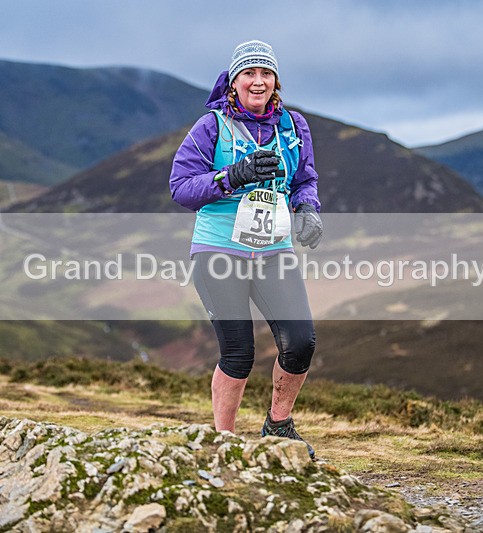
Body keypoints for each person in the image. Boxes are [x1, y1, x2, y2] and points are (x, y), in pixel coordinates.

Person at [169, 40, 323, 458]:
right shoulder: (211, 127)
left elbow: (303, 179)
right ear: (233, 82)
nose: (258, 81)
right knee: (238, 352)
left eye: (266, 74)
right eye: (248, 74)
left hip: (273, 251)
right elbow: (181, 189)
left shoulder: (293, 126)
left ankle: (278, 426)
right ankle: (225, 444)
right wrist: (232, 175)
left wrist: (307, 208)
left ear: (275, 82)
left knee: (300, 341)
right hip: (220, 251)